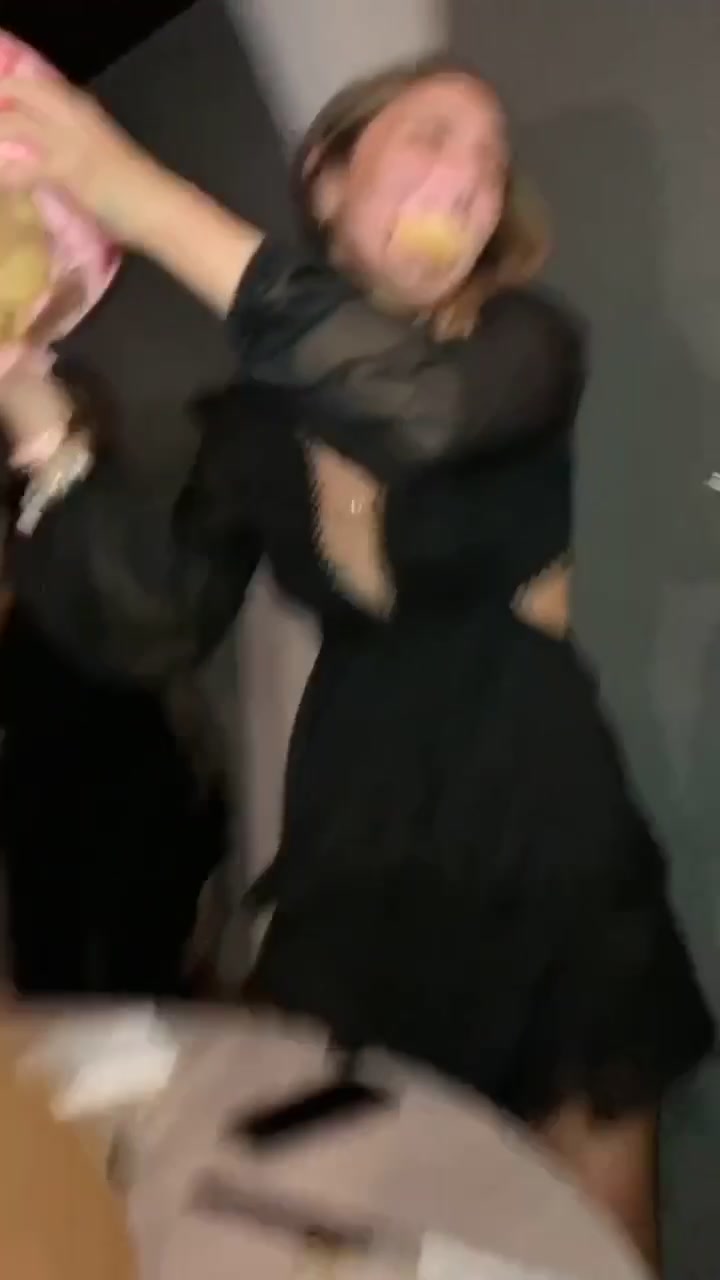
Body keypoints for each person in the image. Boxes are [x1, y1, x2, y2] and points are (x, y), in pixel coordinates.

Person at [0, 58, 713, 1264]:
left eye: (491, 160)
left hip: (541, 826)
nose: (472, 177)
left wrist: (131, 190)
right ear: (327, 181)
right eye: (432, 136)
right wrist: (25, 392)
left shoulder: (520, 348)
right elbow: (157, 618)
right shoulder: (255, 424)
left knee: (597, 1234)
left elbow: (416, 411)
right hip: (359, 842)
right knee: (339, 1216)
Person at [0, 367, 227, 998]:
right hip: (65, 697)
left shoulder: (145, 459)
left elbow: (141, 606)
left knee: (114, 944)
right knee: (61, 935)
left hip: (121, 705)